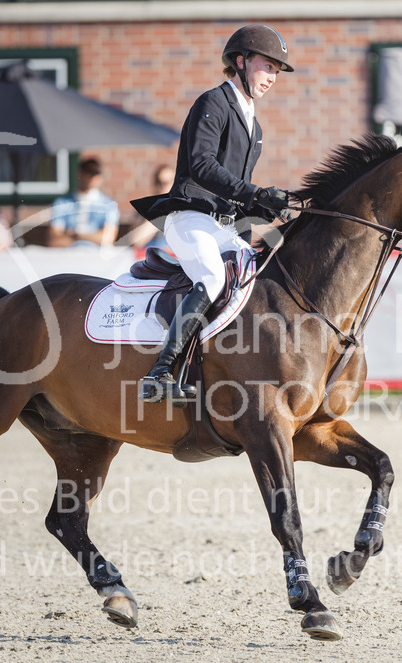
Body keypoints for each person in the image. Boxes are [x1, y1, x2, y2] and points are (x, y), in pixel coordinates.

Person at [130, 24, 295, 405]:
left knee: (257, 277)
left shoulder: (255, 127)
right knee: (212, 274)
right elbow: (202, 166)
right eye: (266, 66)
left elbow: (238, 195)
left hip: (222, 225)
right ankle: (160, 372)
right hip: (189, 216)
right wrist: (256, 192)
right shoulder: (214, 102)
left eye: (276, 71)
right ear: (240, 61)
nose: (271, 78)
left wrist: (273, 205)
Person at [50, 157, 120, 247]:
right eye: (88, 172)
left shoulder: (108, 204)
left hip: (97, 256)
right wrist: (93, 236)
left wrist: (76, 235)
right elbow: (54, 240)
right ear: (80, 173)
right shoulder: (62, 202)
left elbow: (107, 239)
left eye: (96, 173)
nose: (91, 177)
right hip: (68, 255)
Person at [119, 164, 174, 248]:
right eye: (159, 182)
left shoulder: (183, 211)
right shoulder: (145, 210)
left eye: (167, 182)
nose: (163, 187)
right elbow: (135, 241)